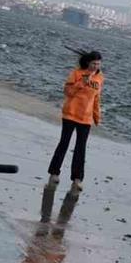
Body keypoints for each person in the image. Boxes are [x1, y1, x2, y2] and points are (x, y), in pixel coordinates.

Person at [48, 50, 103, 190]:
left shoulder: (100, 78)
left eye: (98, 63)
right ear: (87, 62)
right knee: (64, 143)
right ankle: (54, 173)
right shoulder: (76, 73)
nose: (95, 66)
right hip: (70, 114)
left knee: (81, 148)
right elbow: (67, 92)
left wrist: (97, 116)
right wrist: (81, 83)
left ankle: (77, 179)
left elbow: (96, 98)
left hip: (86, 118)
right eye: (93, 63)